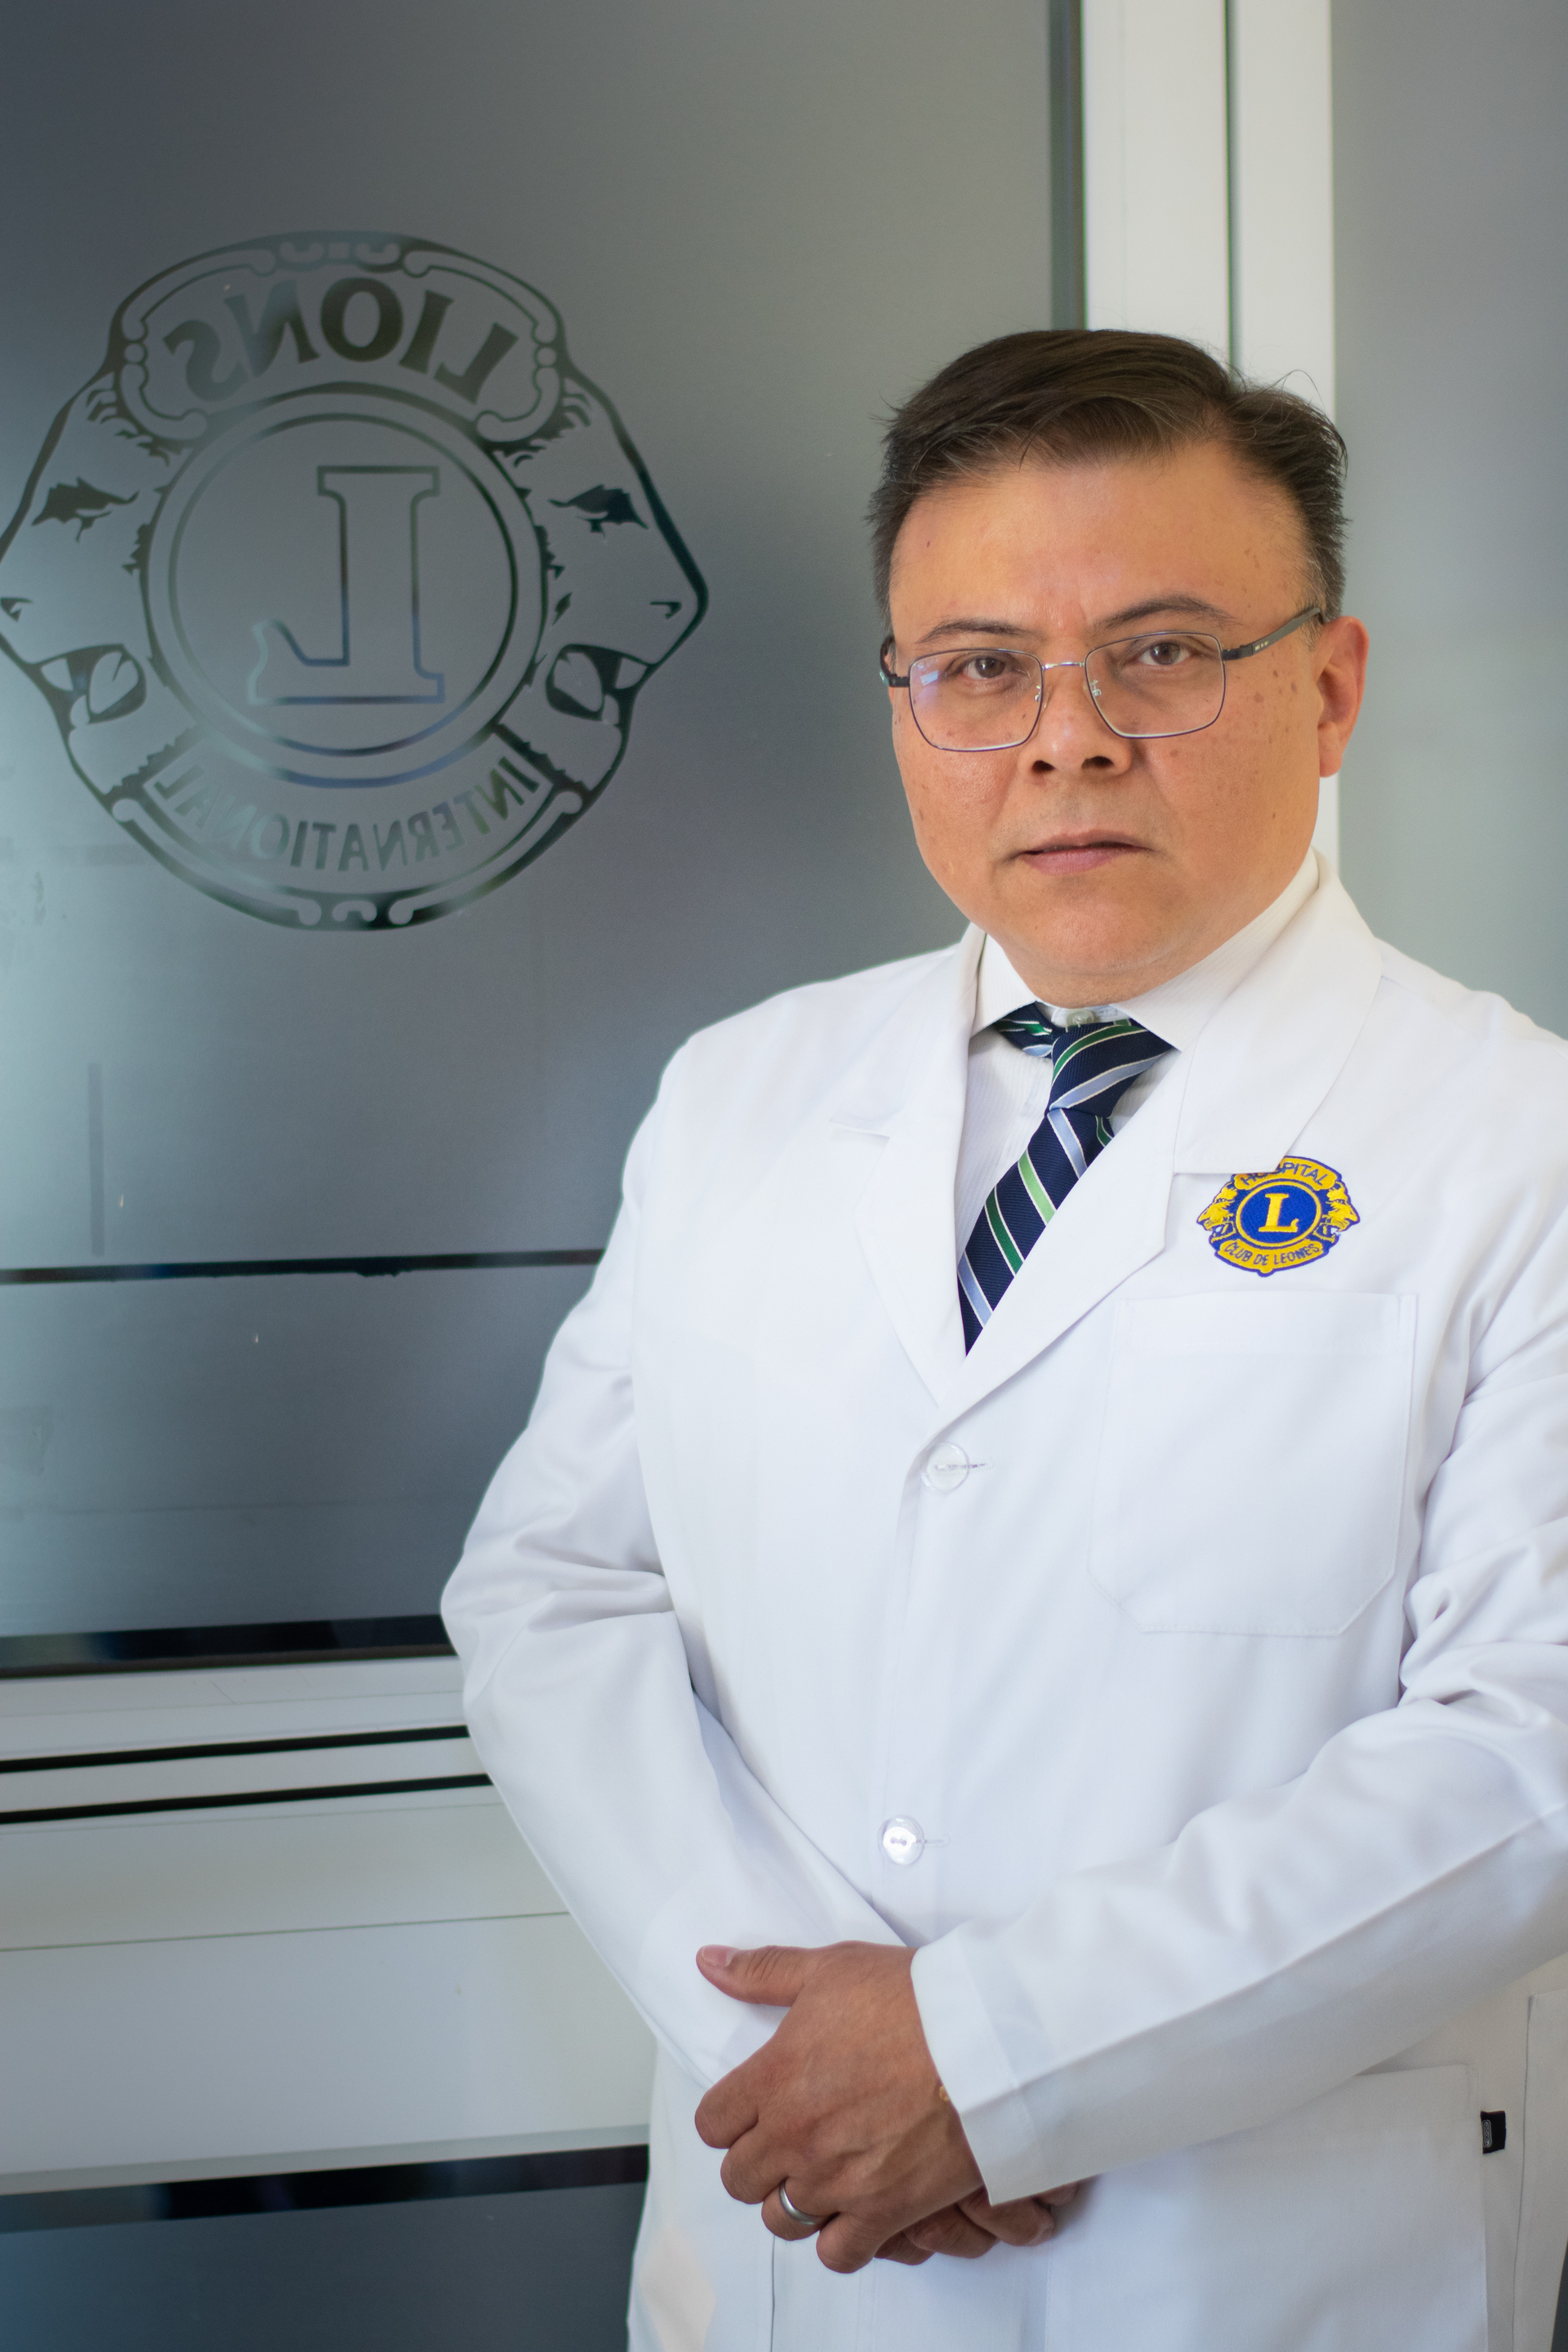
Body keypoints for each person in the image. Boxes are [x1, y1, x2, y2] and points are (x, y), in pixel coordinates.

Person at [442, 329, 1568, 2352]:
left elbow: (1532, 1746)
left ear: (1330, 689)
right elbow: (553, 1591)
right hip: (790, 2246)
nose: (1066, 740)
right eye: (979, 668)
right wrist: (797, 2049)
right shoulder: (740, 1095)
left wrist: (988, 2060)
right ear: (904, 704)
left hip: (1263, 2268)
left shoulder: (1518, 1141)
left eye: (1163, 652)